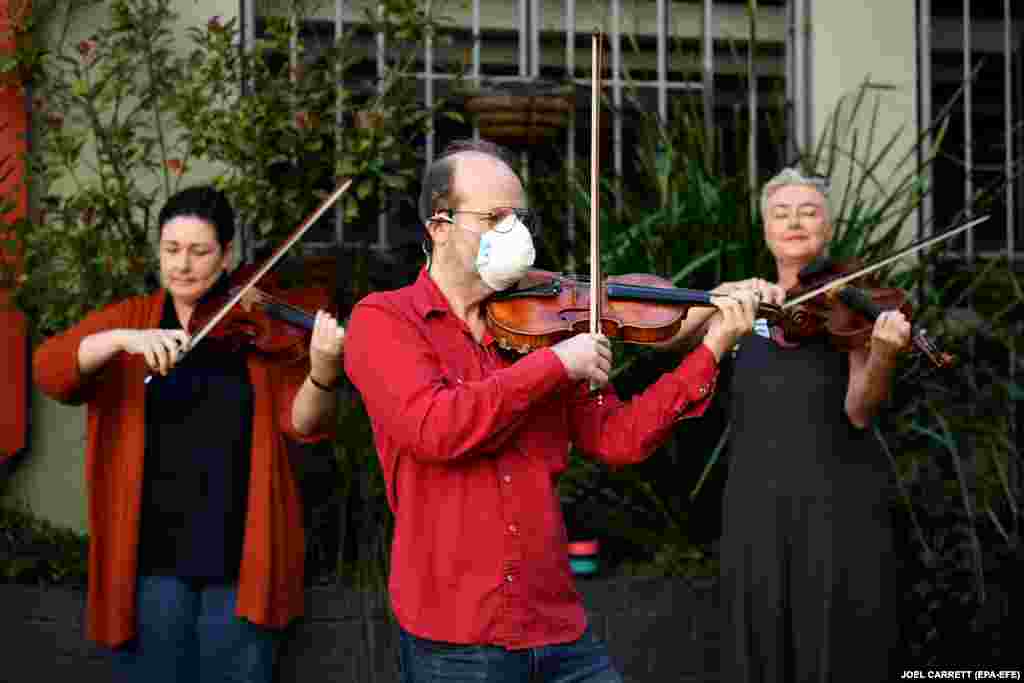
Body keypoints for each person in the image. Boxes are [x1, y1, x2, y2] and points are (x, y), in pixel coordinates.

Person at [342, 138, 760, 682]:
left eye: (519, 218)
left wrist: (710, 347)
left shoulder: (549, 317)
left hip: (557, 625)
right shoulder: (384, 321)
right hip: (458, 639)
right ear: (439, 226)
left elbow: (618, 437)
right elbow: (435, 427)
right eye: (494, 217)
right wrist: (556, 366)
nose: (514, 232)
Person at [32, 185, 345, 683]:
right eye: (171, 250)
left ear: (226, 256)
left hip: (239, 559)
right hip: (149, 560)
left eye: (199, 251)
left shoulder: (255, 328)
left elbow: (306, 424)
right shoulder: (133, 321)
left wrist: (323, 371)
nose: (183, 264)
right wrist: (121, 341)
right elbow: (50, 372)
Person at [660, 167, 912, 681]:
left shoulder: (850, 308)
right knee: (761, 640)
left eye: (808, 211)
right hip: (757, 503)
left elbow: (860, 409)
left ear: (829, 226)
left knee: (837, 643)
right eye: (781, 212)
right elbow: (667, 339)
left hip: (837, 503)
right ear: (765, 229)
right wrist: (720, 296)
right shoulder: (743, 304)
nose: (794, 221)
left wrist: (884, 355)